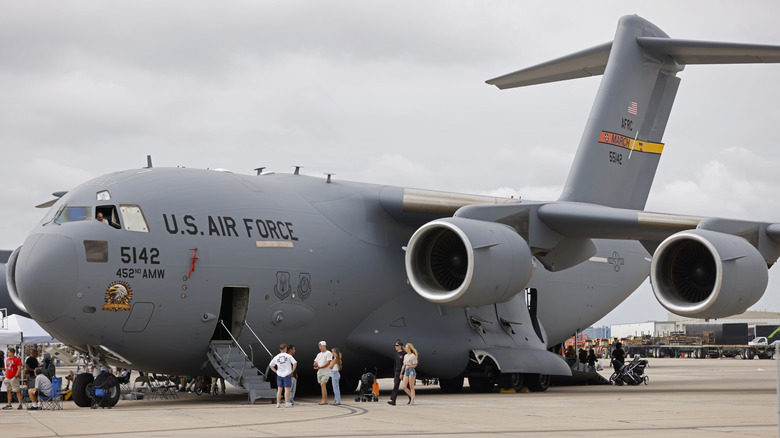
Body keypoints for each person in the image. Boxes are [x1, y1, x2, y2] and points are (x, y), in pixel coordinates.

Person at [268, 344, 297, 408]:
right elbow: (295, 363)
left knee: (279, 389)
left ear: (280, 349)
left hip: (279, 375)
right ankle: (287, 403)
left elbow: (270, 365)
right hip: (287, 374)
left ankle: (278, 403)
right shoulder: (288, 356)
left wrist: (276, 371)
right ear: (285, 349)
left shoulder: (276, 357)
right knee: (287, 389)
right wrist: (292, 370)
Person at [313, 340, 333, 405]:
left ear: (325, 346)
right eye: (319, 346)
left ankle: (323, 400)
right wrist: (315, 364)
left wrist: (320, 367)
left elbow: (328, 362)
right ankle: (325, 399)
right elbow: (314, 363)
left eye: (321, 346)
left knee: (323, 384)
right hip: (320, 372)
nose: (320, 347)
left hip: (326, 372)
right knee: (322, 386)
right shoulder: (318, 354)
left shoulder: (328, 353)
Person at [387, 340, 405, 406]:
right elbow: (395, 364)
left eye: (397, 345)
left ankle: (411, 399)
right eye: (395, 345)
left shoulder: (404, 353)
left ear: (400, 346)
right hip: (397, 372)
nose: (395, 346)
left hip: (403, 372)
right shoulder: (396, 354)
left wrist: (403, 373)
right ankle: (393, 400)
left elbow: (404, 364)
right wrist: (395, 372)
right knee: (396, 386)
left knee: (406, 386)